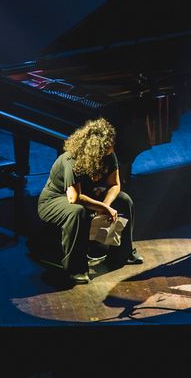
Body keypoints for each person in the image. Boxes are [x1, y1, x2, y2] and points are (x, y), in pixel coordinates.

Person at [33, 118, 142, 284]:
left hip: (86, 194)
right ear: (95, 148)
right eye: (108, 146)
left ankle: (123, 254)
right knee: (78, 211)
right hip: (54, 200)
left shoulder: (109, 154)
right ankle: (75, 268)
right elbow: (74, 198)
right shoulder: (71, 159)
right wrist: (103, 208)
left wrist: (105, 206)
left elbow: (114, 185)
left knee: (124, 200)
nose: (112, 148)